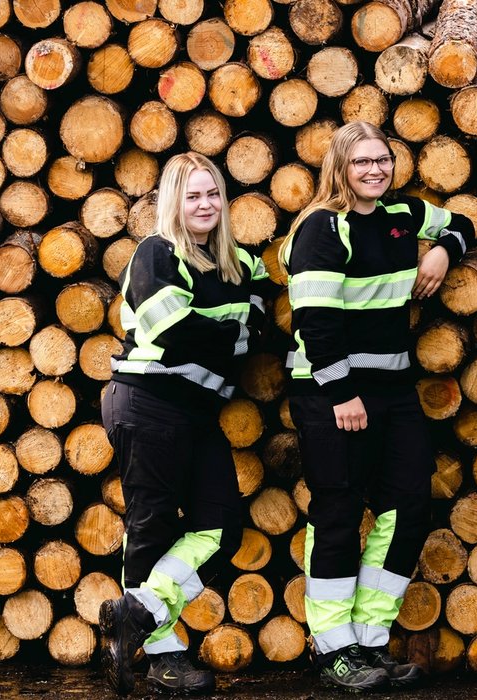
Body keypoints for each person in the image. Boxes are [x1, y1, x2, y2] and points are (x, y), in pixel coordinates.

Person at [282, 121, 471, 692]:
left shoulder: (403, 216)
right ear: (340, 167)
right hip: (329, 389)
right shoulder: (322, 227)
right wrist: (341, 392)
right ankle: (334, 648)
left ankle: (368, 639)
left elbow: (461, 222)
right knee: (338, 511)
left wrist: (440, 252)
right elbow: (315, 319)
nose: (374, 171)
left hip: (392, 388)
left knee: (410, 507)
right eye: (362, 162)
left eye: (382, 160)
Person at [99, 152, 280, 695]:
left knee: (220, 527)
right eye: (192, 195)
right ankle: (161, 659)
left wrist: (234, 324)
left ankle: (137, 612)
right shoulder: (155, 254)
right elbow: (176, 329)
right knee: (152, 523)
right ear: (172, 202)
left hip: (195, 410)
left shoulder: (238, 263)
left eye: (211, 194)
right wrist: (236, 325)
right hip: (147, 400)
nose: (204, 204)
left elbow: (267, 322)